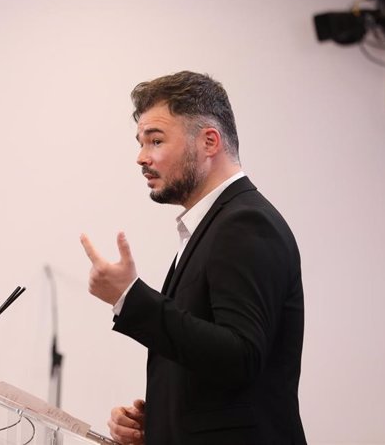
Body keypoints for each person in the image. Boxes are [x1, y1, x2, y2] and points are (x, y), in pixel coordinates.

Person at [80, 71, 306, 445]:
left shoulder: (244, 222)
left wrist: (129, 297)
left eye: (155, 140)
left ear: (209, 141)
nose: (141, 157)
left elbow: (241, 357)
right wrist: (159, 425)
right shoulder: (215, 224)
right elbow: (215, 368)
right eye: (140, 143)